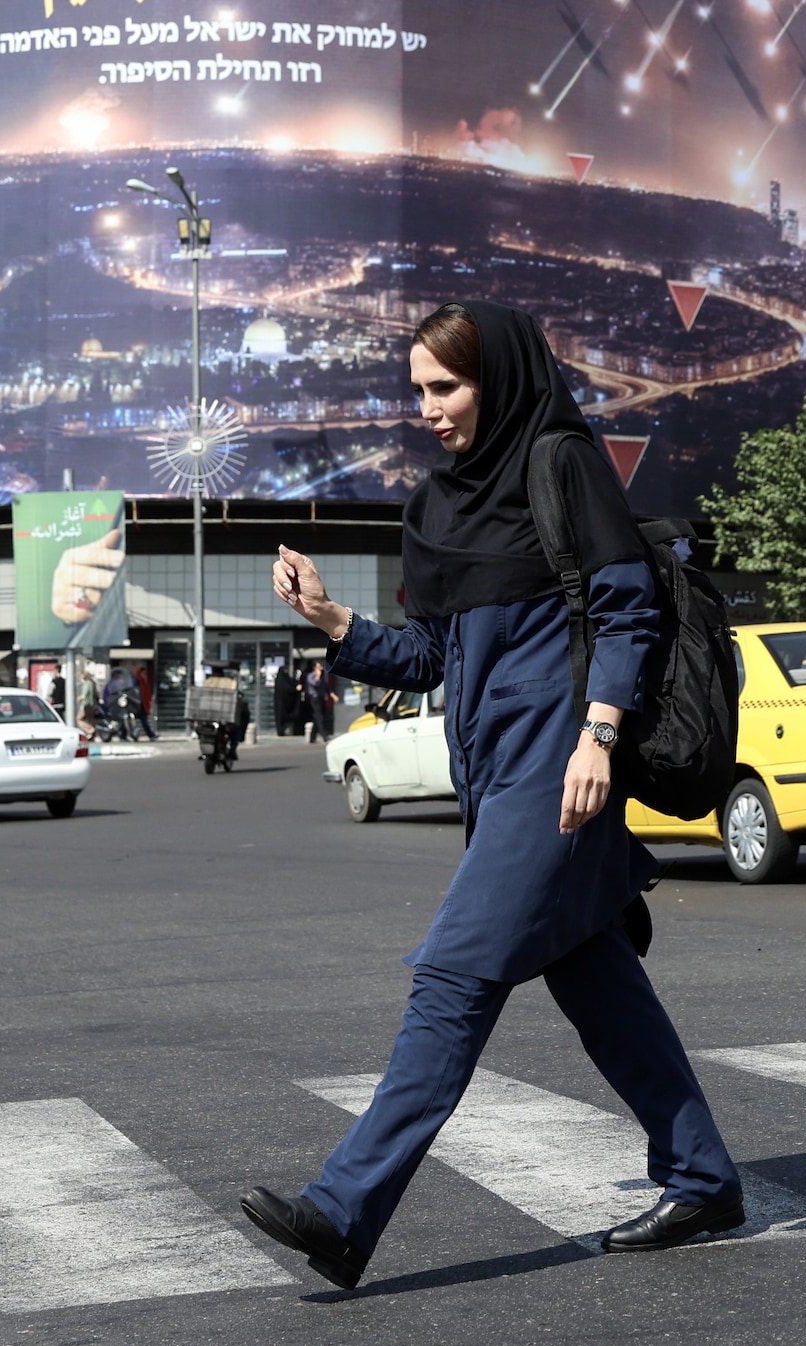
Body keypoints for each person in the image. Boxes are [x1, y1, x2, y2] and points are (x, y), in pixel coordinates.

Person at [240, 302, 744, 1291]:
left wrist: (597, 734)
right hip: (495, 783)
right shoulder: (434, 507)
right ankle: (702, 1174)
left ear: (497, 378)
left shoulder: (561, 462)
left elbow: (627, 608)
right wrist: (332, 617)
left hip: (558, 773)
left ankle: (344, 1211)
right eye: (418, 391)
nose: (428, 409)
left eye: (447, 387)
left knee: (451, 980)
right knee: (597, 987)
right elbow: (428, 656)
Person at [273, 660, 299, 737]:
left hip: (282, 703)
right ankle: (280, 730)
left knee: (283, 717)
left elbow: (291, 682)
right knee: (281, 716)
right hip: (280, 703)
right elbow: (287, 688)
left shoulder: (284, 679)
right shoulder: (280, 680)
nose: (286, 672)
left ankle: (282, 730)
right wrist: (295, 689)